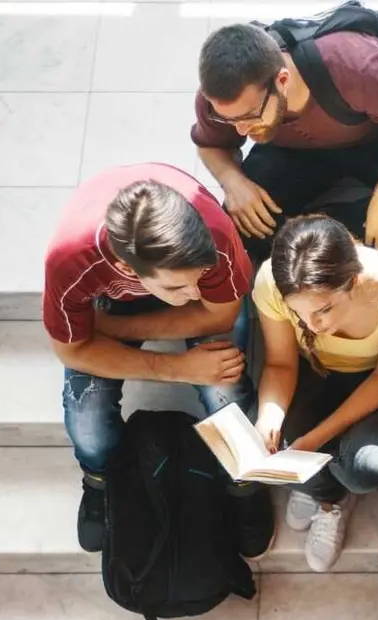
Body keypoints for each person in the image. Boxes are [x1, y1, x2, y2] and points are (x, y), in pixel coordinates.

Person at [42, 163, 274, 557]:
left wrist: (111, 330)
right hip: (109, 296)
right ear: (126, 268)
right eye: (177, 285)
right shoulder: (70, 259)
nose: (192, 291)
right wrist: (177, 368)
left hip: (119, 313)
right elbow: (70, 349)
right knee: (88, 422)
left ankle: (242, 477)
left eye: (198, 277)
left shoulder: (214, 237)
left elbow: (217, 313)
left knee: (225, 393)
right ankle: (99, 478)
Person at [191, 22, 378, 325]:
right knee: (240, 223)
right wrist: (232, 181)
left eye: (249, 117)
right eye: (229, 120)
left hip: (374, 138)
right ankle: (336, 241)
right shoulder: (218, 98)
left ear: (282, 80)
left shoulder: (357, 65)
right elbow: (210, 145)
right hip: (294, 151)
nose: (241, 131)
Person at [252, 215, 378, 572]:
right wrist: (268, 416)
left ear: (354, 279)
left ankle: (329, 494)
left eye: (324, 309)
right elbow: (281, 364)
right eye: (299, 314)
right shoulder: (271, 281)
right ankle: (326, 496)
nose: (314, 326)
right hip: (315, 369)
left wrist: (315, 438)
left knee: (364, 469)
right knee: (283, 437)